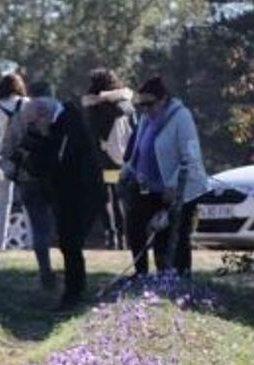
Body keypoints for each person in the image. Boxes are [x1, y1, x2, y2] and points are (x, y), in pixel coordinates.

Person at [15, 95, 102, 308]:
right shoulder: (58, 124)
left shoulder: (70, 123)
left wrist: (33, 154)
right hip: (66, 195)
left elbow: (57, 162)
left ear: (44, 114)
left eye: (34, 123)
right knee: (67, 243)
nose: (34, 128)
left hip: (81, 194)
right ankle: (73, 290)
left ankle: (74, 293)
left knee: (71, 243)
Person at [122, 76, 207, 278]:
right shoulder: (145, 118)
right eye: (141, 104)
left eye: (149, 104)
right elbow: (137, 150)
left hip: (179, 191)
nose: (145, 109)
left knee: (171, 238)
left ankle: (178, 279)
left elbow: (191, 157)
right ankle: (140, 275)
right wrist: (127, 172)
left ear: (163, 99)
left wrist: (173, 185)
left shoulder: (181, 117)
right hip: (149, 189)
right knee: (135, 229)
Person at [2, 81, 58, 289]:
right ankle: (71, 270)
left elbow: (8, 149)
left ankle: (45, 269)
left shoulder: (21, 115)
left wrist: (13, 173)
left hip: (28, 179)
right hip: (56, 179)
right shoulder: (58, 112)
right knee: (62, 226)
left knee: (39, 226)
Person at [82, 68, 136, 250]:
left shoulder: (95, 106)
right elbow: (135, 129)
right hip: (125, 158)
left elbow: (91, 134)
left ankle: (111, 235)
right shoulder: (127, 103)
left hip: (104, 159)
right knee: (121, 196)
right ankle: (125, 236)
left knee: (106, 197)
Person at [0, 73, 27, 250]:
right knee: (28, 201)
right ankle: (32, 241)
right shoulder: (26, 103)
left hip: (4, 157)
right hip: (24, 156)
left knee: (3, 202)